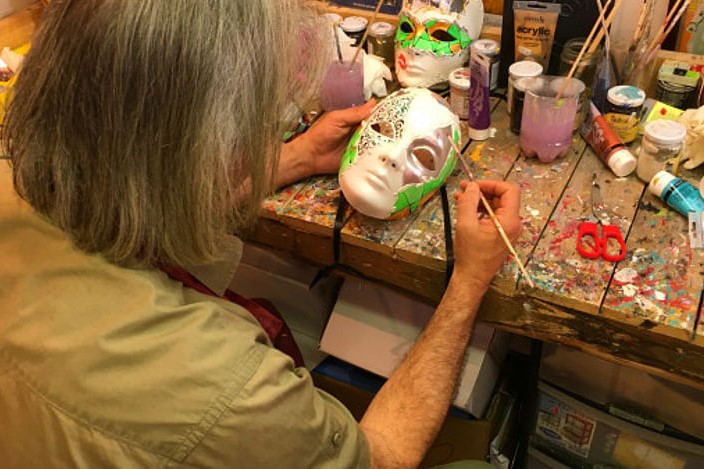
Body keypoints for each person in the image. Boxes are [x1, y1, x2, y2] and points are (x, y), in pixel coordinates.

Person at [0, 0, 522, 468]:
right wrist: (468, 285)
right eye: (255, 132)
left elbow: (129, 187)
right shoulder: (227, 390)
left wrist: (293, 157)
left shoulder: (15, 184)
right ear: (203, 150)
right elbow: (381, 457)